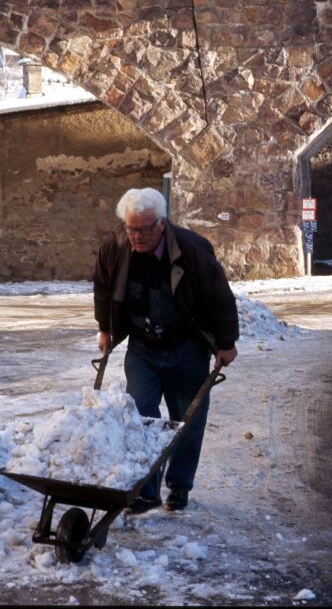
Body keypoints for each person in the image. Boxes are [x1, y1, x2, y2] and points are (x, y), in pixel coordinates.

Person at [93, 187, 239, 514]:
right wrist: (105, 329)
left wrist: (226, 343)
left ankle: (179, 486)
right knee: (141, 414)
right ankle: (146, 490)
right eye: (132, 228)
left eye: (144, 229)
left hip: (187, 347)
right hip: (143, 347)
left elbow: (220, 297)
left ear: (161, 224)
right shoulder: (115, 248)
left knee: (186, 421)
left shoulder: (192, 249)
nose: (137, 236)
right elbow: (102, 288)